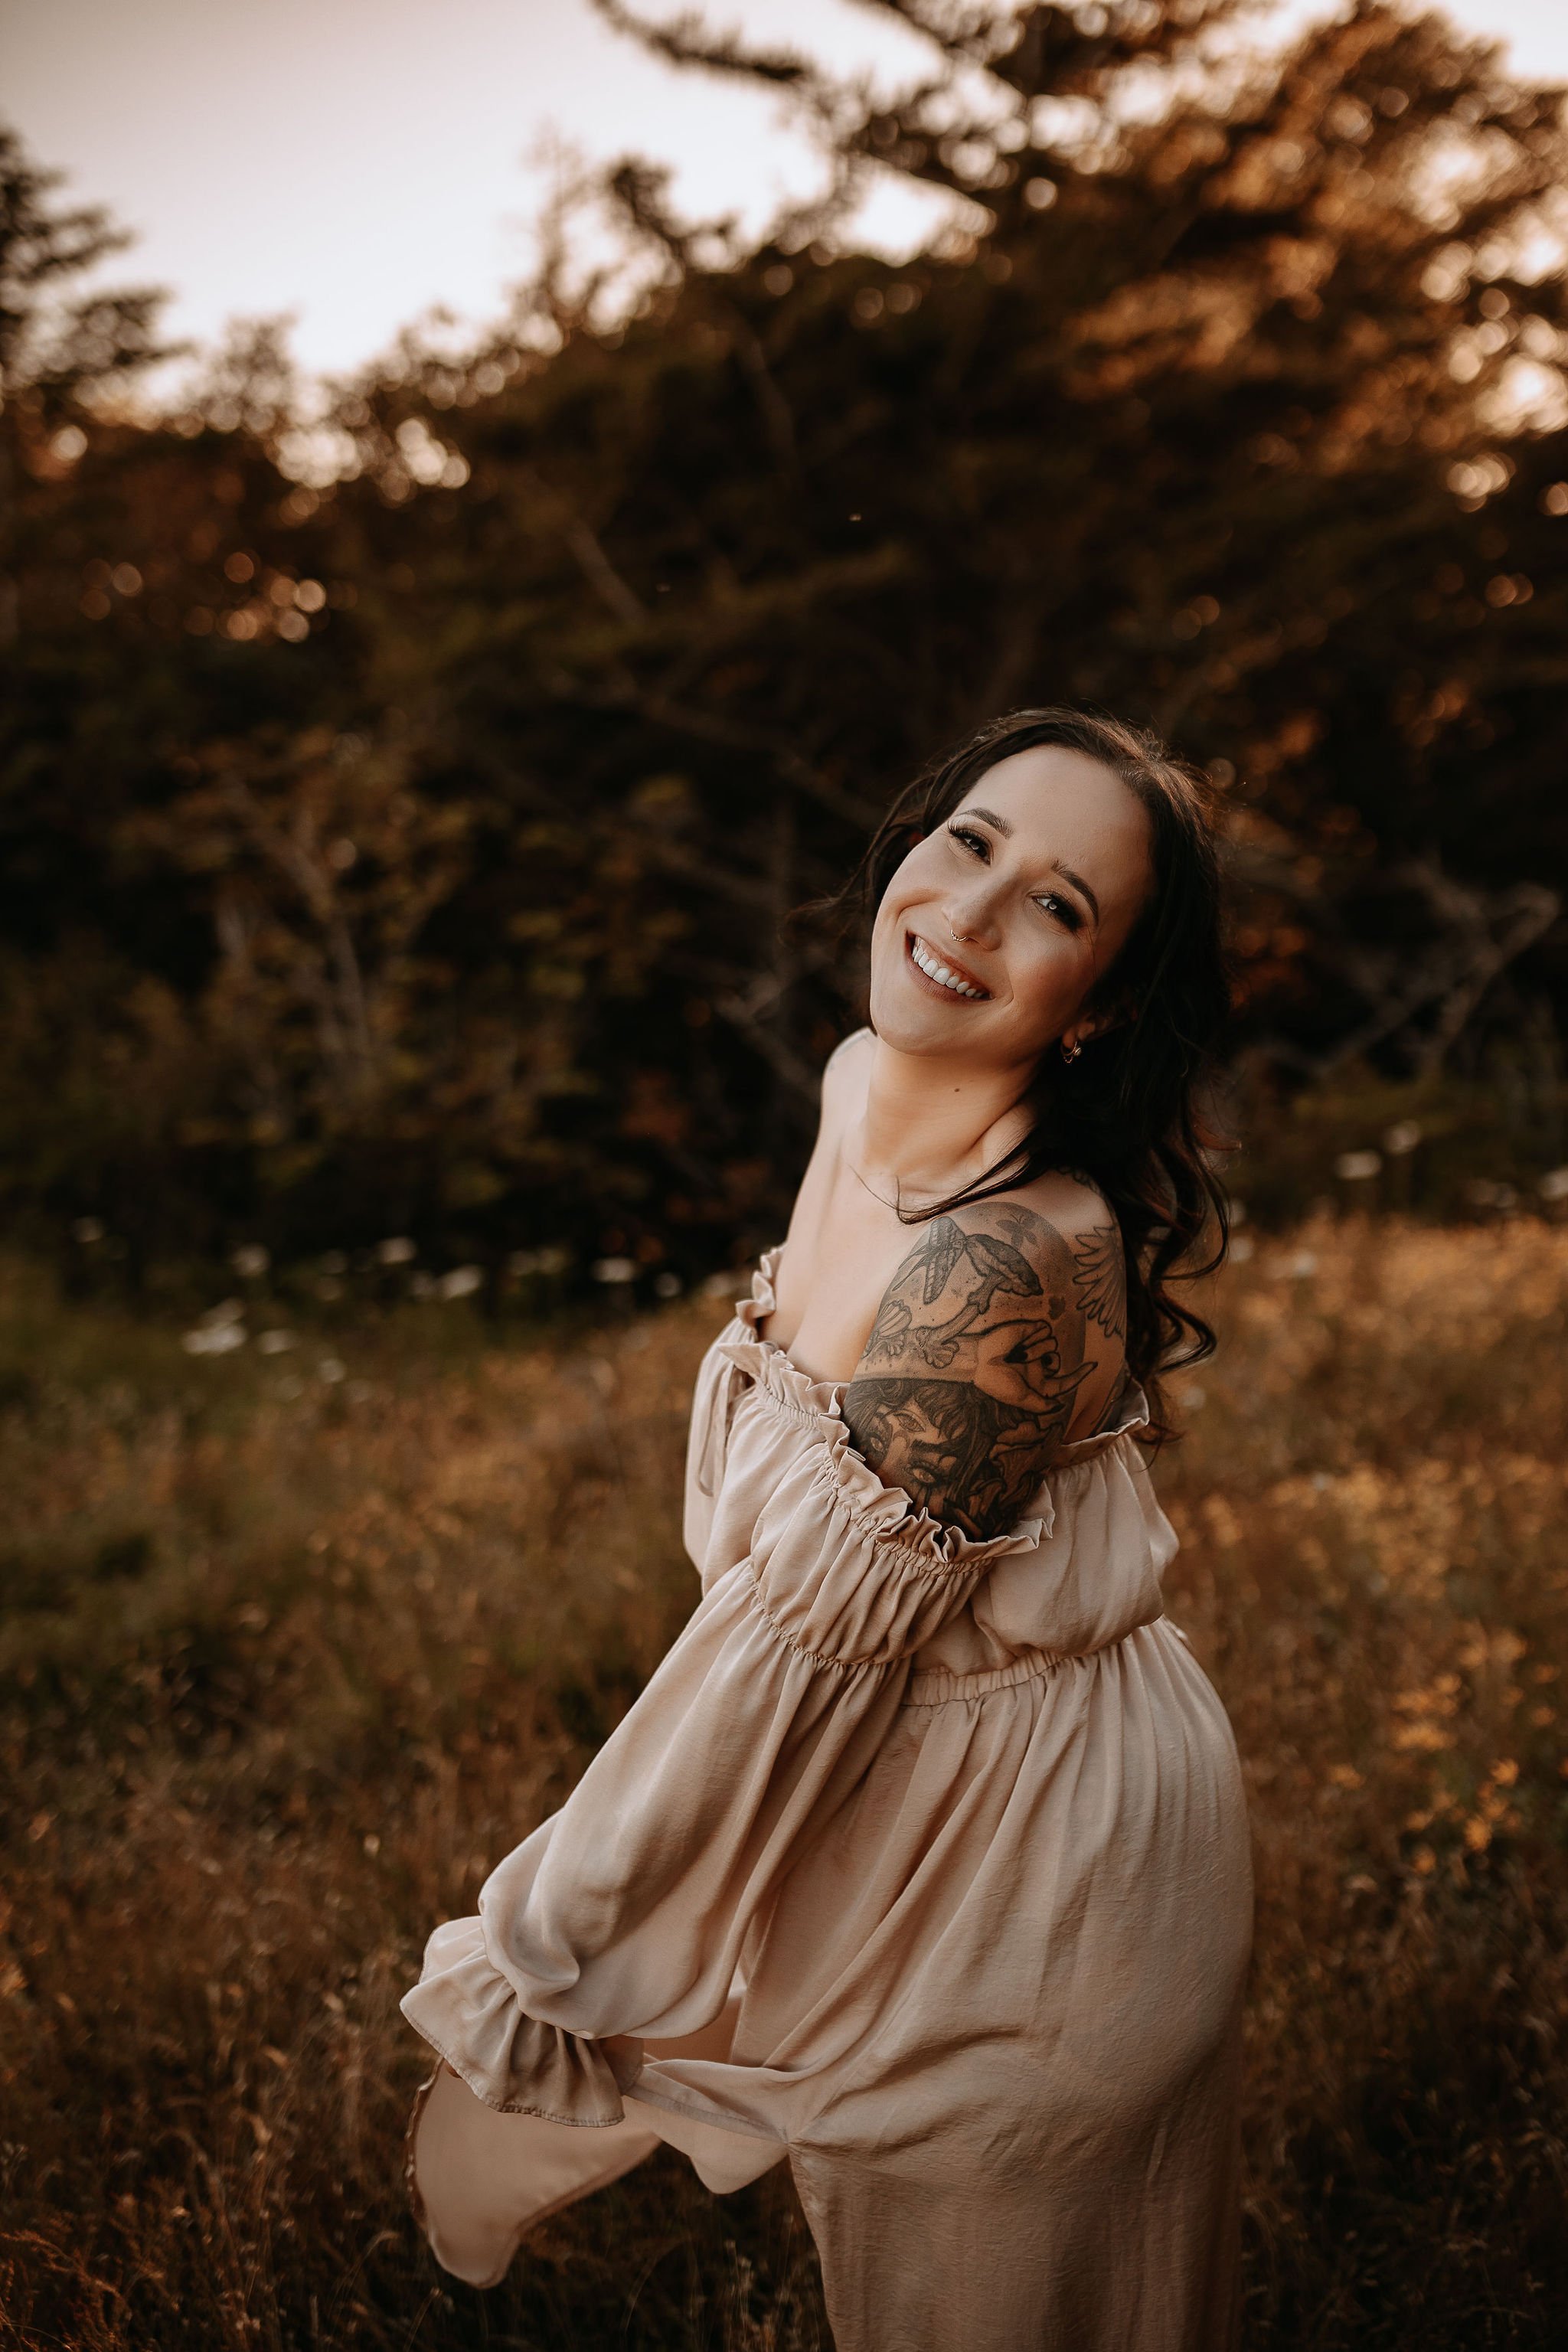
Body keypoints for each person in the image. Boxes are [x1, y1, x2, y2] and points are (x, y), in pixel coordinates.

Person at [399, 707, 1254, 2350]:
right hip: (899, 1796)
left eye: (1056, 906)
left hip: (1037, 1873)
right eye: (970, 841)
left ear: (1100, 1005)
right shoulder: (861, 1082)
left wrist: (544, 1954)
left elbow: (783, 1676)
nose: (970, 913)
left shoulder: (997, 1271)